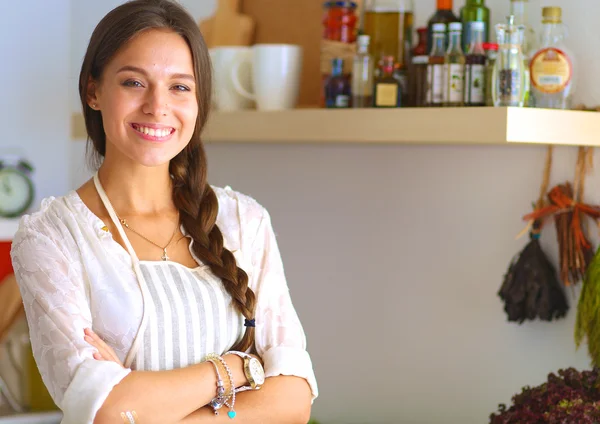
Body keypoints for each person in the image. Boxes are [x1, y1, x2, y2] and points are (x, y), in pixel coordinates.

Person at [9, 1, 318, 423]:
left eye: (179, 87)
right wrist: (238, 368)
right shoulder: (50, 237)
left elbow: (294, 398)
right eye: (134, 82)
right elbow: (105, 413)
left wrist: (141, 397)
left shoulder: (244, 221)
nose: (158, 106)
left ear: (199, 101)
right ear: (93, 91)